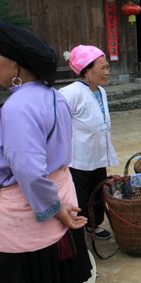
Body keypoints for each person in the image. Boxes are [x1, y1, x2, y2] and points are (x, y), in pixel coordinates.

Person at [0, 19, 92, 283]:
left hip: (38, 207)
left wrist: (54, 208)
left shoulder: (17, 107)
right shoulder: (55, 96)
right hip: (63, 187)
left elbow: (28, 170)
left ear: (15, 65)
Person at [60, 45, 119, 240]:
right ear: (86, 71)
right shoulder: (71, 93)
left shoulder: (100, 91)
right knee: (79, 197)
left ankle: (92, 226)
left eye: (107, 67)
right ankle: (75, 234)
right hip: (78, 158)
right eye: (101, 68)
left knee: (97, 193)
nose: (106, 72)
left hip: (97, 154)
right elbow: (57, 122)